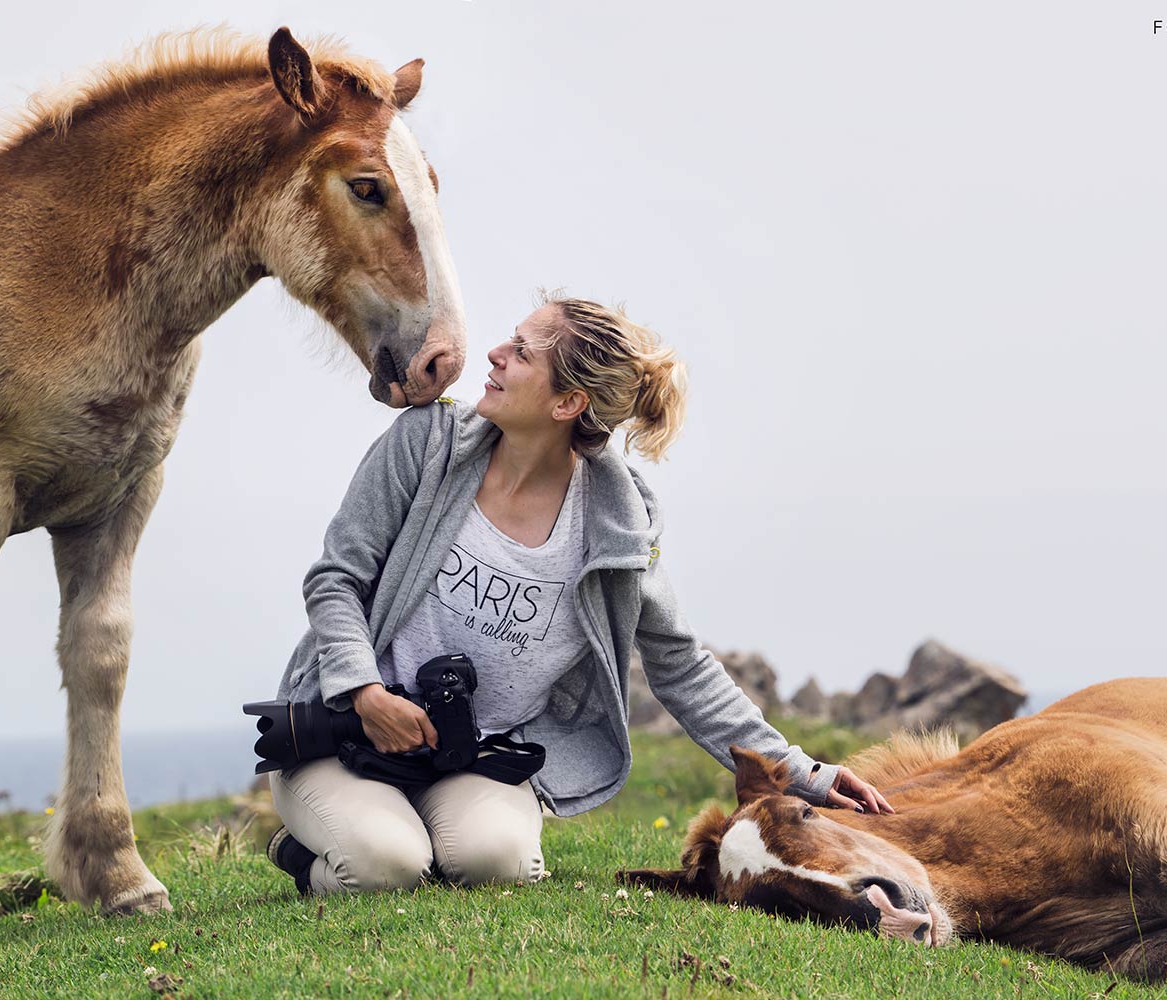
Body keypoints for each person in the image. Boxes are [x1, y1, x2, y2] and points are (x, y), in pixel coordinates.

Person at [266, 293, 891, 895]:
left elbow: (681, 667)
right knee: (386, 865)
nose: (494, 354)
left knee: (498, 863)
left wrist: (803, 772)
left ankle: (413, 833)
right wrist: (366, 692)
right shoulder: (426, 443)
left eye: (521, 352)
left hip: (475, 757)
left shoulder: (616, 524)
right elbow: (336, 578)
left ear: (568, 402)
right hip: (347, 731)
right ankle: (312, 855)